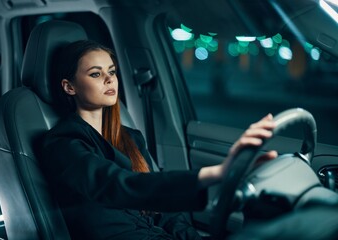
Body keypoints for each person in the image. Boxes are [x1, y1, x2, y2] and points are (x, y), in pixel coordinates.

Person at [41, 39, 277, 239]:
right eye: (96, 74)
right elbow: (118, 184)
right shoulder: (63, 143)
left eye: (112, 71)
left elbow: (162, 209)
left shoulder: (130, 137)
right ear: (69, 87)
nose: (109, 79)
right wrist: (217, 173)